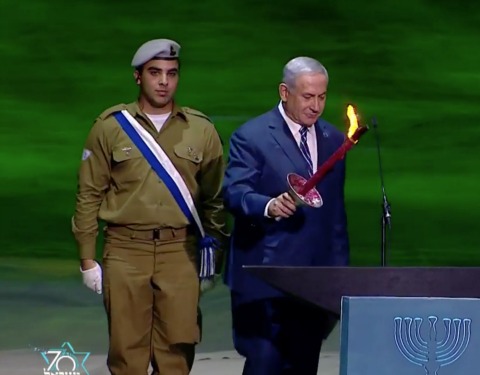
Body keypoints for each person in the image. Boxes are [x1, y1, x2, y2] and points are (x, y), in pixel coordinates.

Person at [71, 38, 228, 375]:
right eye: (155, 72)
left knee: (177, 351)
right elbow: (88, 194)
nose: (163, 81)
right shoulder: (110, 127)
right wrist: (87, 257)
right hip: (126, 250)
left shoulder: (201, 130)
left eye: (171, 73)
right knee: (127, 354)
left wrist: (212, 260)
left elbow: (214, 200)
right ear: (137, 77)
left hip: (180, 252)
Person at [222, 56, 350, 375]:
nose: (316, 106)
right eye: (308, 96)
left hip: (312, 284)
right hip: (264, 279)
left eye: (322, 96)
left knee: (304, 366)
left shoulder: (334, 140)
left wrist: (339, 277)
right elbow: (234, 192)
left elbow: (335, 218)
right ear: (284, 91)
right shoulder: (251, 137)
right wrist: (268, 205)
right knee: (265, 365)